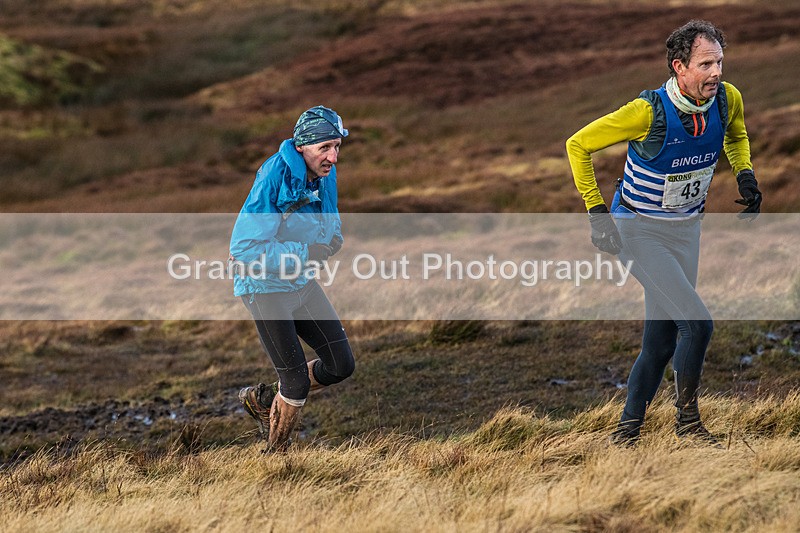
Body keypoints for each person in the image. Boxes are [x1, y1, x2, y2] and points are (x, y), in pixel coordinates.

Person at [566, 20, 762, 445]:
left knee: (660, 342)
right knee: (698, 324)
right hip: (638, 231)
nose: (716, 73)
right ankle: (688, 425)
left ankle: (625, 435)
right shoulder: (647, 112)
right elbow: (577, 144)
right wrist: (596, 211)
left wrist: (745, 174)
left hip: (686, 231)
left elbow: (737, 135)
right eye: (706, 64)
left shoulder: (727, 100)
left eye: (720, 62)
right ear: (679, 67)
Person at [229, 105, 355, 452]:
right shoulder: (274, 178)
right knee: (296, 380)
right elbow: (244, 250)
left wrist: (331, 242)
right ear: (303, 146)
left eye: (337, 146)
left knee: (341, 364)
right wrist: (306, 252)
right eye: (325, 148)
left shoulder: (324, 173)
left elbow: (328, 225)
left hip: (300, 282)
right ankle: (275, 456)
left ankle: (264, 399)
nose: (333, 156)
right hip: (263, 286)